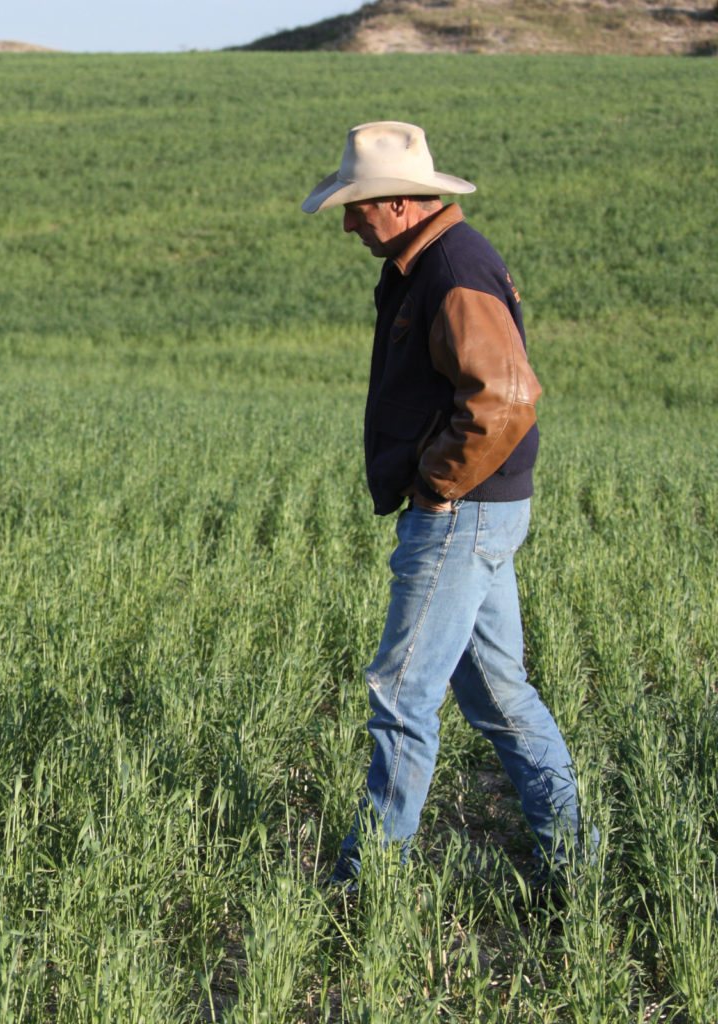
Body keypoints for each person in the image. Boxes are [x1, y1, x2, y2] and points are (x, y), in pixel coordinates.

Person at [301, 121, 589, 895]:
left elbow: (506, 397)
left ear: (398, 203)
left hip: (461, 513)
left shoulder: (453, 267)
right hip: (482, 509)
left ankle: (367, 886)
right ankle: (575, 859)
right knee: (497, 693)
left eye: (357, 208)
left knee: (402, 695)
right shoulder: (423, 261)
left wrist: (438, 485)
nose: (351, 222)